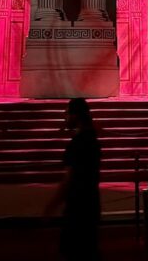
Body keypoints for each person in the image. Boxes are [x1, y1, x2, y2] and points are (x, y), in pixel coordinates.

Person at [47, 97, 102, 261]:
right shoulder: (93, 140)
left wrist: (53, 204)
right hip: (91, 203)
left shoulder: (78, 143)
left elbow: (69, 178)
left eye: (67, 114)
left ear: (75, 116)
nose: (65, 117)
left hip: (78, 207)